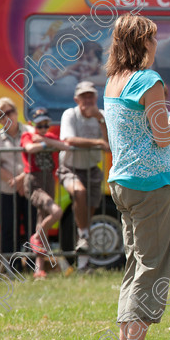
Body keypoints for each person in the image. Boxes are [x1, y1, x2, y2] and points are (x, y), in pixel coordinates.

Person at [104, 13, 170, 340]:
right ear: (142, 42)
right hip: (150, 184)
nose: (156, 43)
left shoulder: (114, 80)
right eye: (153, 37)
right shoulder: (150, 80)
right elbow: (162, 136)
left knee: (135, 264)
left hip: (121, 182)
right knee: (152, 267)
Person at [59, 81, 110, 271]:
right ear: (76, 99)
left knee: (87, 217)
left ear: (96, 98)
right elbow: (69, 139)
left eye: (91, 96)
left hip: (92, 168)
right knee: (79, 193)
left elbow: (109, 144)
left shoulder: (101, 116)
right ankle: (83, 235)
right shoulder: (69, 114)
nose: (88, 100)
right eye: (84, 97)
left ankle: (83, 263)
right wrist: (97, 142)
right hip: (70, 167)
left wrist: (101, 120)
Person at [20, 108, 73, 278]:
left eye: (45, 125)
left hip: (48, 179)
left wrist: (44, 141)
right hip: (34, 181)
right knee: (56, 211)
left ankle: (39, 269)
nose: (43, 128)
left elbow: (65, 146)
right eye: (39, 125)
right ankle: (36, 237)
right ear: (32, 124)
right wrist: (44, 143)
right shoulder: (27, 135)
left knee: (42, 219)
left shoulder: (47, 137)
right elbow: (29, 148)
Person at [0, 98, 36, 258]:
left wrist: (21, 179)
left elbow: (35, 161)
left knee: (32, 227)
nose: (7, 117)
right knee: (8, 229)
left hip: (30, 187)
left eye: (10, 112)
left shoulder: (30, 132)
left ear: (16, 112)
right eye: (1, 115)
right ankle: (11, 266)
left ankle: (33, 266)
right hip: (5, 191)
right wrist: (16, 183)